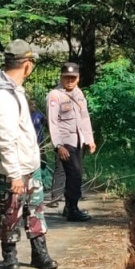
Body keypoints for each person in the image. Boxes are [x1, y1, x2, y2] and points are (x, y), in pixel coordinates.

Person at [0, 39, 58, 269]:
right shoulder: (2, 96)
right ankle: (9, 257)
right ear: (27, 65)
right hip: (13, 170)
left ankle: (40, 254)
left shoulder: (14, 90)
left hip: (30, 166)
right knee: (11, 212)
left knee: (35, 210)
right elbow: (6, 140)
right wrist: (15, 175)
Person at [46, 62, 96, 221]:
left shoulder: (79, 93)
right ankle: (72, 209)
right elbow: (52, 122)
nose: (69, 80)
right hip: (65, 141)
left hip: (78, 141)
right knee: (74, 174)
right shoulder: (55, 96)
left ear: (78, 78)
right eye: (66, 77)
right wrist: (58, 145)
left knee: (77, 174)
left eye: (73, 77)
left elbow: (85, 117)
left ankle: (69, 207)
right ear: (61, 77)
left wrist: (89, 139)